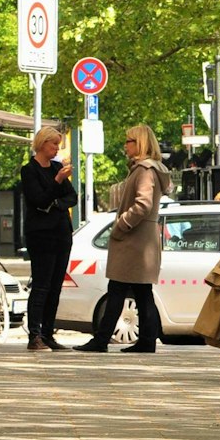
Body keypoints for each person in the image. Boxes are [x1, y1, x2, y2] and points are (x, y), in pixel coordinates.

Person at [76, 124, 171, 354]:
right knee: (140, 292)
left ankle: (102, 340)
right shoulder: (148, 169)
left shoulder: (145, 170)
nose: (125, 146)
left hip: (135, 241)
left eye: (129, 141)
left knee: (119, 289)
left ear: (139, 143)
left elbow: (143, 204)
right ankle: (145, 341)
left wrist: (121, 224)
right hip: (141, 242)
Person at [19, 126, 78, 351]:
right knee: (41, 285)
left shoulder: (56, 167)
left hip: (61, 233)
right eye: (54, 144)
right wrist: (57, 182)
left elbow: (71, 196)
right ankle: (34, 335)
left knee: (55, 286)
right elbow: (39, 200)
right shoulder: (30, 171)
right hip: (41, 235)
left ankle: (48, 333)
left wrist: (56, 203)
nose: (57, 148)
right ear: (43, 144)